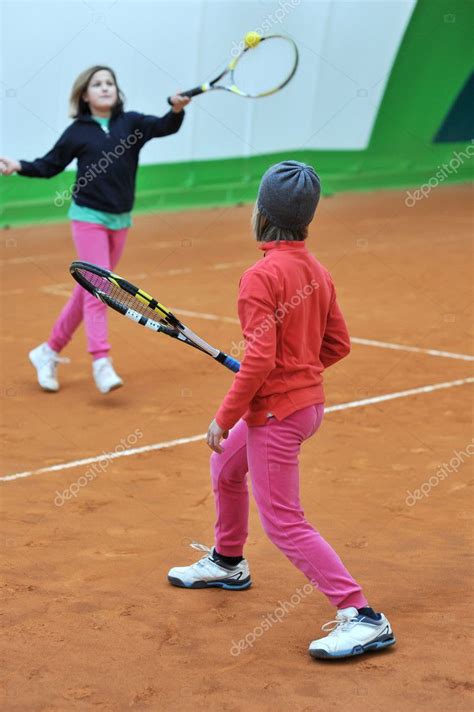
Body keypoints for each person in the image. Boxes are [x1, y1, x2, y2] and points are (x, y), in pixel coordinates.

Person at [167, 161, 396, 660]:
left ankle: (361, 616)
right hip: (303, 407)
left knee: (285, 522)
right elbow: (338, 344)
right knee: (226, 467)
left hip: (275, 417)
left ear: (260, 213)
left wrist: (225, 416)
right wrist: (298, 375)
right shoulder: (316, 270)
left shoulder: (259, 276)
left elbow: (260, 359)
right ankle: (228, 560)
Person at [0, 65, 189, 393]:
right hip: (88, 216)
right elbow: (49, 165)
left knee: (88, 287)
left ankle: (48, 351)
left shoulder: (131, 123)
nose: (105, 88)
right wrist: (19, 166)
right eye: (97, 84)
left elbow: (163, 127)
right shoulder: (78, 132)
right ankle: (101, 361)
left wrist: (175, 110)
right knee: (101, 286)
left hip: (120, 220)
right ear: (84, 95)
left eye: (110, 83)